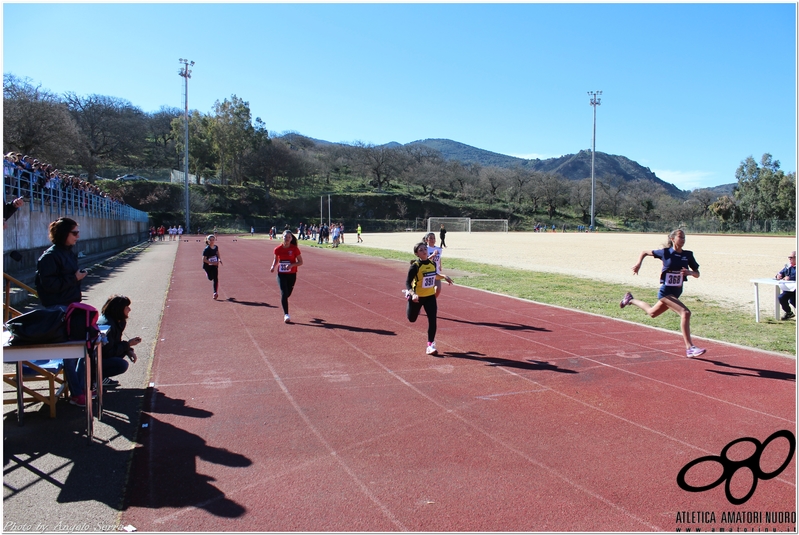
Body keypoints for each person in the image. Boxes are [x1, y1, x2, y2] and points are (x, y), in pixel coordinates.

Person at [619, 229, 706, 358]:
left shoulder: (688, 255)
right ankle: (689, 348)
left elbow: (697, 274)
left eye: (684, 238)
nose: (683, 240)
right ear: (672, 239)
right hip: (665, 292)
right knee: (685, 313)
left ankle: (630, 299)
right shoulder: (665, 253)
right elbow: (644, 252)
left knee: (652, 313)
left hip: (676, 293)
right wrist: (638, 264)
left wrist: (690, 273)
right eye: (680, 237)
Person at [34, 217, 91, 406]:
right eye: (74, 233)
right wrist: (74, 278)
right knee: (69, 351)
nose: (77, 236)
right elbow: (48, 286)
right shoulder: (49, 257)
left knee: (84, 346)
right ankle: (77, 392)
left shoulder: (68, 253)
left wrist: (77, 278)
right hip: (58, 308)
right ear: (63, 234)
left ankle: (82, 387)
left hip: (72, 304)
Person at [404, 241, 453, 355]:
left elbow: (434, 275)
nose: (424, 251)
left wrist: (444, 276)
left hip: (430, 296)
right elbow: (407, 282)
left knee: (432, 319)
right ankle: (408, 297)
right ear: (417, 254)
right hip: (417, 296)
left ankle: (430, 344)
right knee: (412, 319)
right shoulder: (415, 266)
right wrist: (412, 293)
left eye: (425, 249)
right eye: (421, 250)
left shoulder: (432, 263)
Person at [97, 295, 142, 386]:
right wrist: (128, 344)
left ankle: (99, 377)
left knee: (123, 352)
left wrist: (128, 349)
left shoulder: (117, 320)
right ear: (119, 309)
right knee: (122, 365)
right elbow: (107, 352)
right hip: (95, 358)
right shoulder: (107, 326)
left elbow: (116, 343)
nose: (129, 309)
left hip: (102, 355)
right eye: (127, 307)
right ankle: (96, 378)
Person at [270, 230, 303, 323]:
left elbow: (301, 262)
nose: (287, 239)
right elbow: (276, 260)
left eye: (289, 237)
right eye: (285, 237)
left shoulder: (294, 249)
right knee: (284, 293)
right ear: (282, 237)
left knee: (288, 294)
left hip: (292, 274)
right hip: (281, 274)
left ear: (291, 238)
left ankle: (284, 301)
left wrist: (292, 265)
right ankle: (286, 314)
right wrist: (273, 266)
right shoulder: (277, 249)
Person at [775, 251, 796, 320]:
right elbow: (781, 272)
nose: (789, 259)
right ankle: (789, 313)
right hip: (788, 288)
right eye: (789, 257)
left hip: (795, 288)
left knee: (794, 301)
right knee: (781, 298)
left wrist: (790, 278)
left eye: (791, 257)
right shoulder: (788, 266)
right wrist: (779, 275)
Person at [202, 234, 222, 300]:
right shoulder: (206, 249)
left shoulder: (216, 247)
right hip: (207, 266)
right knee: (210, 278)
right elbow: (204, 259)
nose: (212, 241)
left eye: (213, 240)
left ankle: (215, 292)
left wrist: (219, 259)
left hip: (215, 265)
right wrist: (211, 263)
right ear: (208, 241)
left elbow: (217, 253)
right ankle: (207, 273)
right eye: (210, 240)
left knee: (215, 278)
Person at [425, 232, 444, 298]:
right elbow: (424, 260)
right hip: (427, 272)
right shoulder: (425, 249)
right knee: (426, 290)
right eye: (431, 238)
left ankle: (432, 301)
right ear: (426, 240)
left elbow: (439, 258)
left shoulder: (439, 249)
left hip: (436, 272)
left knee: (438, 289)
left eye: (434, 238)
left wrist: (440, 265)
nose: (433, 240)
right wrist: (432, 255)